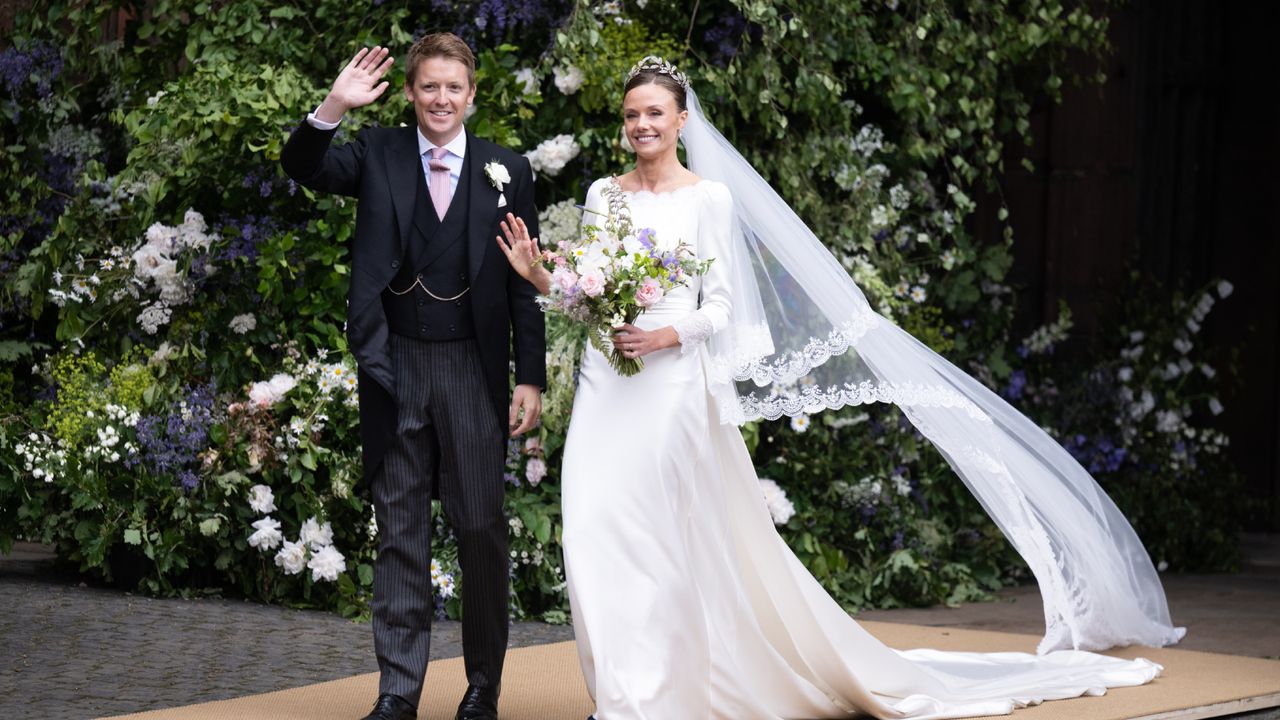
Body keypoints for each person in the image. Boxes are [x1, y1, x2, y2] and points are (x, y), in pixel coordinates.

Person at [496, 57, 1183, 719]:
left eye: (654, 112)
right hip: (608, 383)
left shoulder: (709, 197)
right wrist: (538, 277)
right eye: (630, 115)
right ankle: (618, 689)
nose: (641, 124)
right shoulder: (603, 196)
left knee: (659, 541)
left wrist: (665, 337)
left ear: (680, 120)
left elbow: (725, 310)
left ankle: (641, 704)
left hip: (670, 381)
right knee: (593, 529)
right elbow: (586, 297)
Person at [282, 34, 545, 720]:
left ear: (472, 94)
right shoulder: (379, 154)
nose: (441, 99)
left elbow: (525, 284)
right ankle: (398, 691)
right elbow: (303, 167)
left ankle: (483, 686)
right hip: (394, 365)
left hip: (472, 367)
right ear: (409, 92)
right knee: (400, 529)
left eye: (453, 88)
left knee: (482, 526)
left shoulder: (506, 169)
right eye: (429, 86)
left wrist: (532, 377)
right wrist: (333, 106)